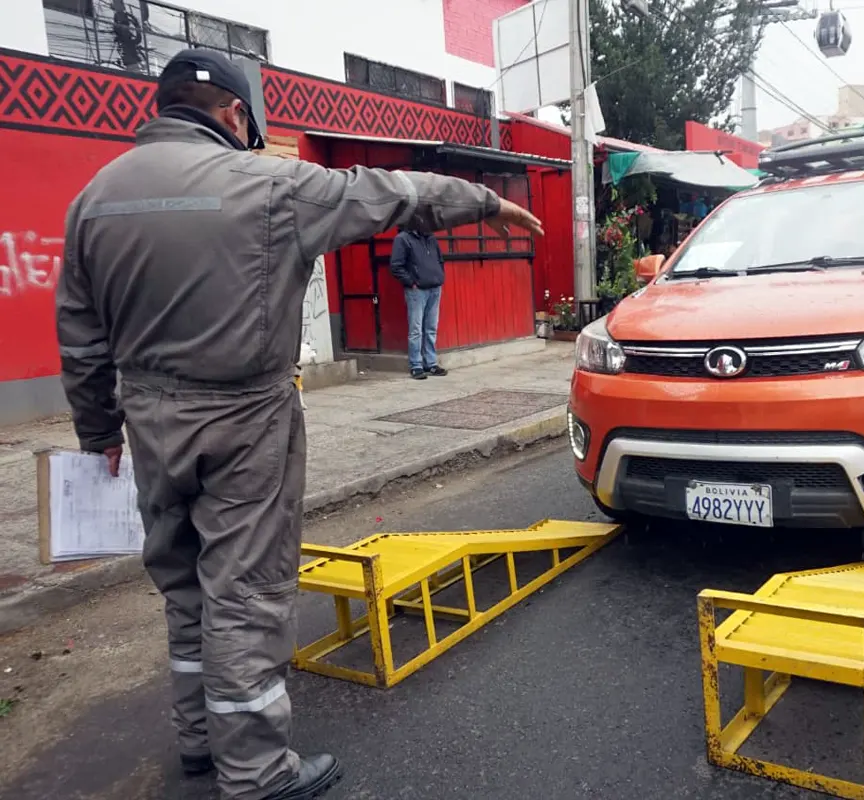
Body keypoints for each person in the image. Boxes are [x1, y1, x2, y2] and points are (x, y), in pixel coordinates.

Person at [55, 50, 541, 800]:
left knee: (185, 588)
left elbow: (81, 339)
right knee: (244, 593)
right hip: (247, 419)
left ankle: (199, 746)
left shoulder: (94, 197)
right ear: (234, 115)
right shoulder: (271, 185)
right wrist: (485, 201)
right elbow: (393, 192)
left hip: (148, 420)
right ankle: (255, 771)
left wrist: (97, 435)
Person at [389, 229, 448, 379]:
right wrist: (411, 283)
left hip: (435, 287)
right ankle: (416, 365)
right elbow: (396, 266)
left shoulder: (431, 238)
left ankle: (431, 363)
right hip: (417, 290)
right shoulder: (402, 239)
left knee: (431, 328)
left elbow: (440, 260)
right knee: (416, 329)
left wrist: (439, 277)